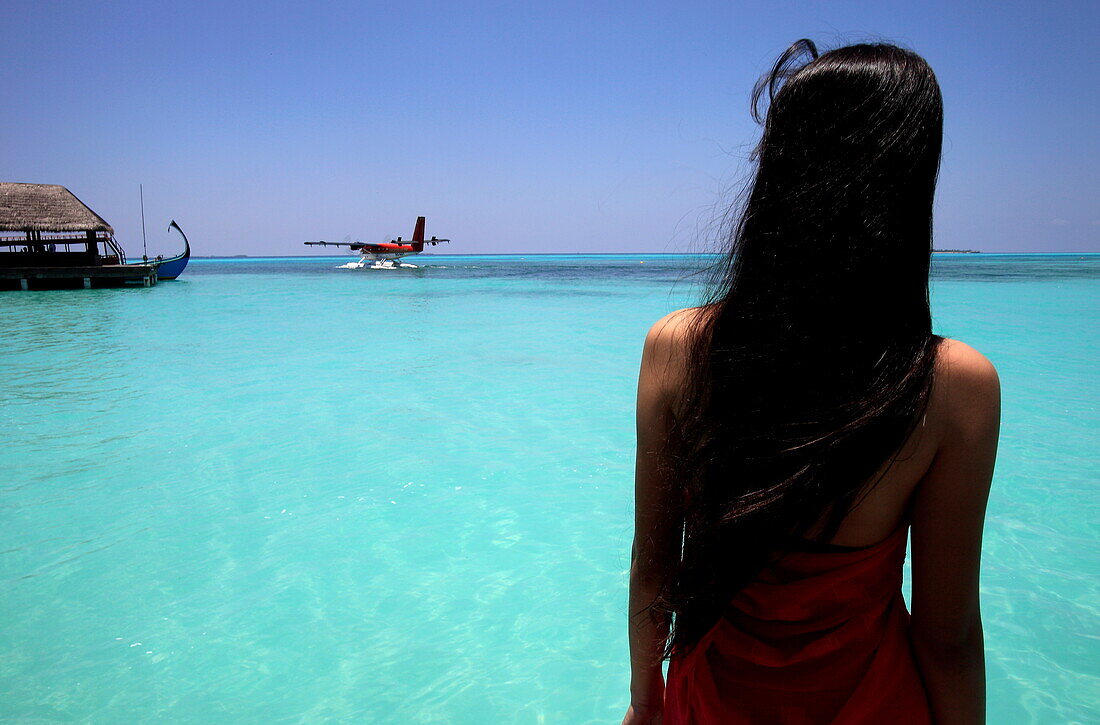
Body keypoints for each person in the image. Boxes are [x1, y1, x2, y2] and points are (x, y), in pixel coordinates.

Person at [624, 40, 1000, 725]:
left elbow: (655, 573)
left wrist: (645, 704)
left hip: (709, 703)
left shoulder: (676, 349)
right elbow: (946, 638)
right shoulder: (952, 387)